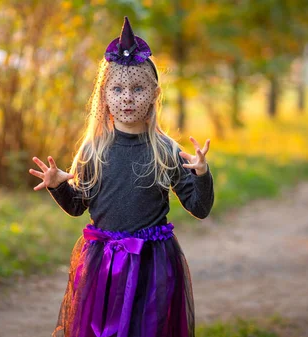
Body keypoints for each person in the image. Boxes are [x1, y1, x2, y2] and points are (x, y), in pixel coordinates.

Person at [28, 17, 214, 337]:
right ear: (104, 95)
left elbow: (199, 208)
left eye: (138, 88)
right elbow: (77, 206)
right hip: (103, 265)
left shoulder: (166, 151)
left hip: (152, 265)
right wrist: (59, 185)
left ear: (154, 94)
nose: (127, 97)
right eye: (118, 88)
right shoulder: (93, 150)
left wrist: (201, 175)